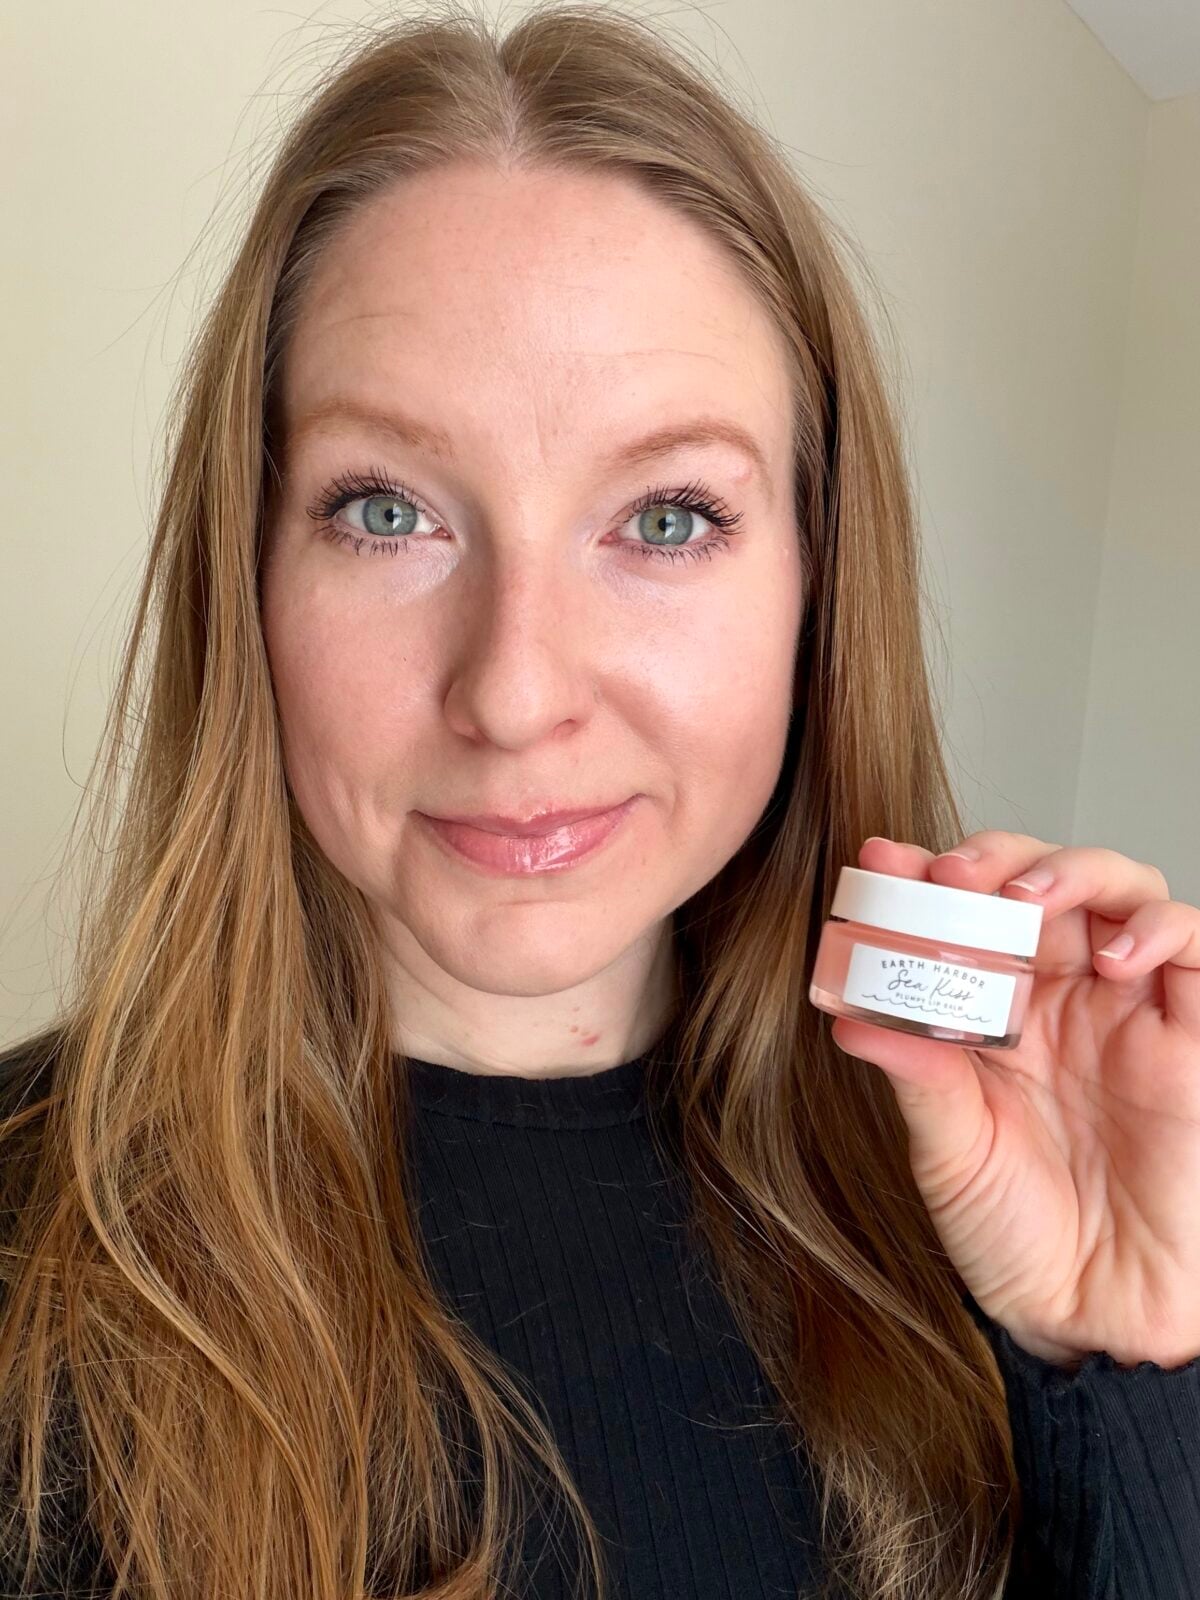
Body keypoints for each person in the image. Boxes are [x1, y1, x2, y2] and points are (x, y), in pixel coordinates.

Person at [1, 4, 1197, 1598]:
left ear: (816, 588)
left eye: (668, 518)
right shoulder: (23, 1252)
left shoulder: (981, 1214)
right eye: (385, 509)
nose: (515, 692)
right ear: (251, 575)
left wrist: (1116, 1363)